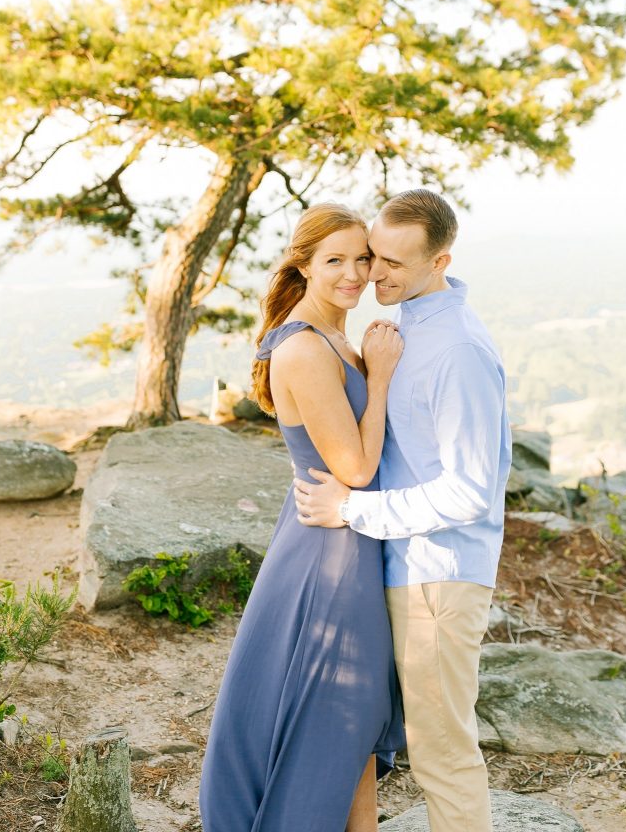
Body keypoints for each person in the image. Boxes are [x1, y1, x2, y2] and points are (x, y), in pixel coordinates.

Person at [294, 189, 512, 832]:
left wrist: (355, 510)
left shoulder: (457, 351)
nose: (372, 275)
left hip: (439, 574)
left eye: (392, 264)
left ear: (440, 261)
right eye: (370, 256)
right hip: (405, 567)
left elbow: (471, 489)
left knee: (442, 752)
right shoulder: (407, 325)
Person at [199, 203, 405, 832]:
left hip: (350, 534)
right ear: (304, 264)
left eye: (361, 258)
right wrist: (385, 376)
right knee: (339, 706)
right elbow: (357, 469)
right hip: (331, 549)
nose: (352, 273)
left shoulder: (337, 334)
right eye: (334, 260)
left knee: (356, 716)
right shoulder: (306, 349)